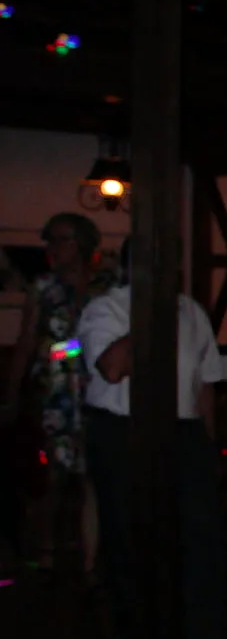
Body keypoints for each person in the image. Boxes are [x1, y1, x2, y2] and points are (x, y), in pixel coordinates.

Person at [75, 241, 227, 639]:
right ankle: (135, 638)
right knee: (127, 532)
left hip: (183, 429)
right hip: (123, 428)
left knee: (201, 531)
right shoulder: (106, 310)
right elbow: (112, 369)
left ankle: (202, 633)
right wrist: (151, 314)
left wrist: (208, 445)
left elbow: (205, 385)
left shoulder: (192, 312)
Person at [3, 212, 112, 568]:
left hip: (99, 390)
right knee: (55, 473)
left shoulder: (106, 287)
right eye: (50, 240)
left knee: (95, 474)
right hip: (57, 393)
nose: (53, 247)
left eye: (62, 239)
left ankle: (91, 560)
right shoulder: (44, 288)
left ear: (81, 244)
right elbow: (27, 342)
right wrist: (12, 393)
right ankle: (44, 547)